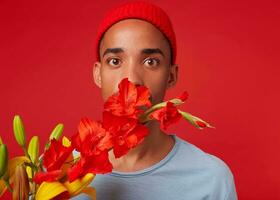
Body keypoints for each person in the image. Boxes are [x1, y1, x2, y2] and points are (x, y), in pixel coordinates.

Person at [74, 1, 237, 199]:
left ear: (171, 76)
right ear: (98, 74)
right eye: (115, 61)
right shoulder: (59, 171)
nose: (132, 79)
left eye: (150, 62)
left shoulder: (211, 179)